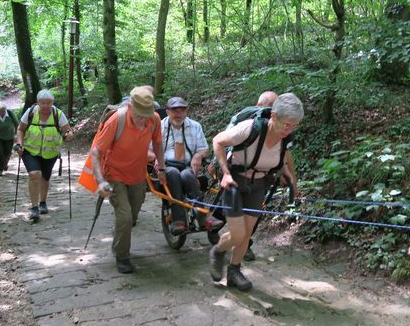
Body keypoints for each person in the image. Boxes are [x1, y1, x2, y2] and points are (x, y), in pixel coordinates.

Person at [209, 93, 303, 291]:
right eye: (287, 124)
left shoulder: (285, 138)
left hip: (259, 185)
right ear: (274, 116)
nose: (290, 129)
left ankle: (234, 271)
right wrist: (225, 174)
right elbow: (218, 141)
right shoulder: (250, 128)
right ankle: (217, 251)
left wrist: (288, 176)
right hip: (234, 182)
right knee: (237, 234)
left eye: (294, 126)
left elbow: (281, 159)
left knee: (246, 234)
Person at [91, 86, 166, 274]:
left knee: (132, 215)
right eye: (139, 114)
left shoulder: (154, 119)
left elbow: (157, 143)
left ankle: (121, 235)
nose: (143, 118)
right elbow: (96, 152)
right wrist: (100, 181)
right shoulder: (117, 120)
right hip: (114, 174)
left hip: (138, 175)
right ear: (130, 106)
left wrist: (161, 166)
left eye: (146, 114)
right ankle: (122, 255)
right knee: (124, 217)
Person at [155, 96, 218, 235]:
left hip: (188, 165)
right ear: (167, 111)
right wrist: (158, 162)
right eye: (174, 110)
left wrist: (198, 155)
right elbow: (148, 150)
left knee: (187, 175)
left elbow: (205, 149)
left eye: (182, 110)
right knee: (173, 174)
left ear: (186, 111)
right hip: (166, 166)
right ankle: (179, 220)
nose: (178, 113)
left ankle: (202, 215)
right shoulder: (159, 127)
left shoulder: (195, 126)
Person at [15, 90, 72, 222]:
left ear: (52, 102)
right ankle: (34, 208)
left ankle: (43, 202)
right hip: (29, 150)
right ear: (38, 102)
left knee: (45, 177)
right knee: (34, 174)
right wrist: (19, 143)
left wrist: (69, 135)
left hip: (50, 152)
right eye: (43, 103)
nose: (46, 106)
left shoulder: (58, 114)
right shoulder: (31, 112)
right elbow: (21, 129)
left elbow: (67, 130)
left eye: (49, 103)